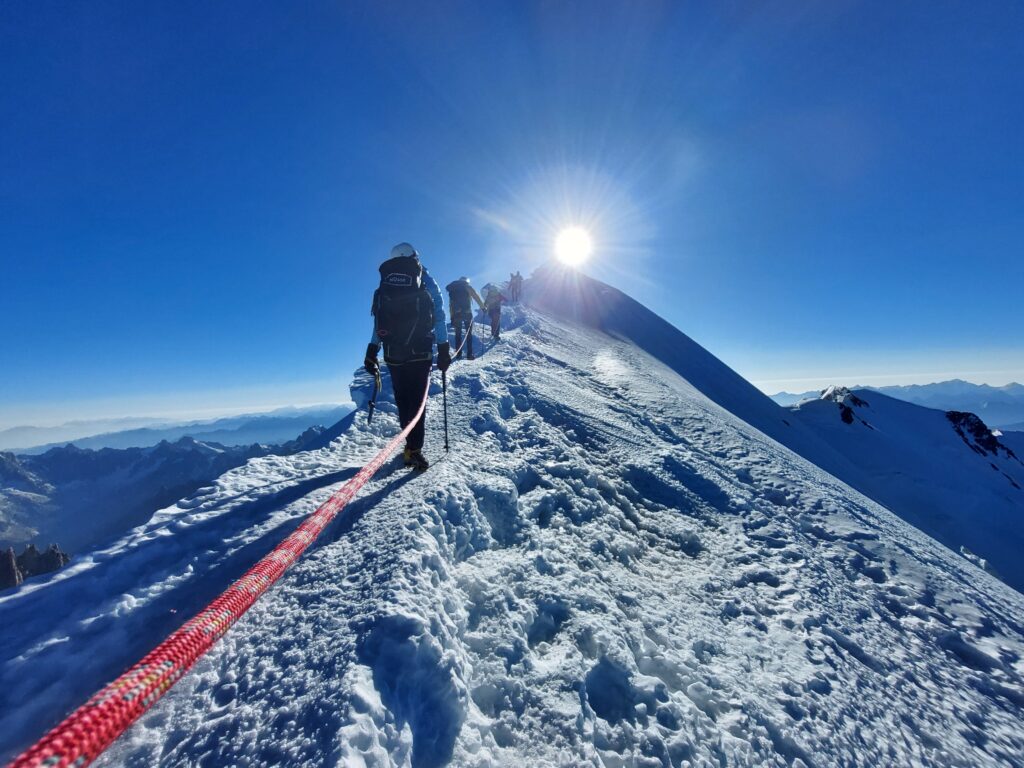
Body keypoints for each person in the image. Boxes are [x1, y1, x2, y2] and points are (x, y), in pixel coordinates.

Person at [364, 243, 450, 471]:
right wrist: (443, 348)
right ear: (414, 256)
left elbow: (379, 319)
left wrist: (372, 349)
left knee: (403, 401)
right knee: (417, 401)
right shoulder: (425, 279)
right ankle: (414, 449)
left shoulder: (386, 283)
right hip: (420, 351)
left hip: (392, 353)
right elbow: (439, 315)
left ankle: (409, 446)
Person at [445, 276, 485, 360]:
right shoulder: (467, 287)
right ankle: (469, 355)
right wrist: (483, 307)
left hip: (456, 314)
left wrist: (452, 317)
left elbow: (451, 305)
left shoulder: (453, 289)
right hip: (467, 313)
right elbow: (476, 297)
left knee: (458, 334)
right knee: (468, 334)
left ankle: (458, 354)